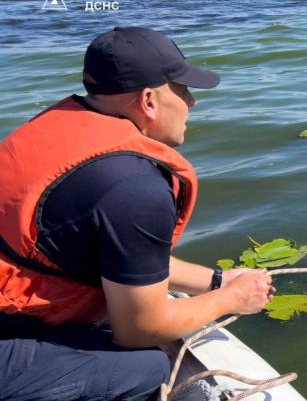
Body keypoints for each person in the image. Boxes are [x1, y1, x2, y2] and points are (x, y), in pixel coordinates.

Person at [0, 26, 275, 400]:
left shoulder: (51, 131)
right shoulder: (134, 187)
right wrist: (232, 300)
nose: (192, 102)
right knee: (147, 366)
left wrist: (216, 281)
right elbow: (139, 329)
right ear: (149, 100)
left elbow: (119, 260)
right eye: (182, 90)